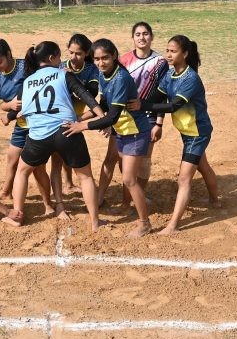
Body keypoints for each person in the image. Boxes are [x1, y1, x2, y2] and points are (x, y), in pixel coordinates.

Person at [2, 41, 106, 232]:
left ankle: (17, 215)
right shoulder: (63, 74)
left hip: (38, 135)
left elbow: (17, 108)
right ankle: (95, 222)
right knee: (85, 177)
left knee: (23, 171)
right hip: (66, 130)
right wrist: (102, 116)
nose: (61, 60)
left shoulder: (27, 81)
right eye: (59, 56)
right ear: (52, 58)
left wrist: (7, 117)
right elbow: (85, 95)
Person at [128, 35, 220, 235]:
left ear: (185, 54)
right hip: (187, 131)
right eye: (167, 50)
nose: (168, 55)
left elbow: (172, 105)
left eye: (173, 51)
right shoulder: (170, 75)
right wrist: (136, 104)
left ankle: (173, 226)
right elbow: (156, 96)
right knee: (202, 166)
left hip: (197, 133)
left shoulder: (191, 79)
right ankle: (215, 201)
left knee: (184, 179)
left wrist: (142, 105)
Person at [64, 38, 153, 239]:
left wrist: (82, 126)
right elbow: (103, 105)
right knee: (124, 172)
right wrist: (80, 118)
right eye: (96, 59)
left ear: (114, 56)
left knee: (129, 179)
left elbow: (111, 116)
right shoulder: (105, 75)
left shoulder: (120, 78)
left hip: (135, 132)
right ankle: (130, 205)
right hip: (122, 130)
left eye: (105, 58)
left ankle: (144, 223)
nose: (101, 62)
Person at [0, 39, 54, 215]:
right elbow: (2, 104)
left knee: (38, 168)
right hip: (21, 124)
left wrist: (12, 112)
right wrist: (10, 106)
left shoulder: (27, 66)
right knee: (12, 158)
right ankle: (6, 191)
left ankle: (48, 204)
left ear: (9, 54)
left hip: (38, 124)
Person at [114, 21, 169, 210]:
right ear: (133, 38)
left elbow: (164, 94)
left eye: (146, 34)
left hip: (149, 116)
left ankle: (140, 195)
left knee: (144, 160)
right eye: (138, 34)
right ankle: (126, 199)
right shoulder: (124, 60)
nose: (142, 37)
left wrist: (159, 123)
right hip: (125, 117)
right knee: (125, 159)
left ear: (151, 37)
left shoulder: (160, 62)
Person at [53, 33, 99, 196]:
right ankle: (68, 184)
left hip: (79, 116)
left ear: (86, 53)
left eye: (78, 53)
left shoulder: (92, 69)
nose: (73, 57)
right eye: (71, 52)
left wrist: (73, 79)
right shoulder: (61, 66)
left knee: (72, 152)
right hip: (60, 116)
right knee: (59, 155)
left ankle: (73, 183)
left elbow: (92, 93)